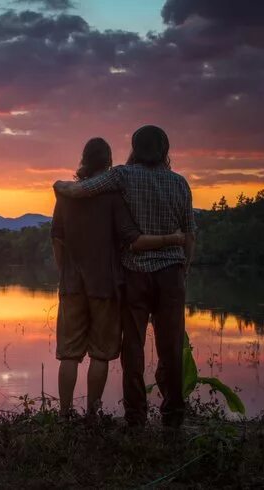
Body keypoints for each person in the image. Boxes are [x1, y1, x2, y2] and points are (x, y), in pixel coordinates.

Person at [53, 126, 196, 428]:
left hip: (113, 278)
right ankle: (166, 417)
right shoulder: (175, 185)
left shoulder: (116, 180)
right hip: (142, 279)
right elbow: (180, 233)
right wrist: (181, 259)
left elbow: (66, 222)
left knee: (116, 350)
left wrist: (61, 187)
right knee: (155, 348)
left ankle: (126, 418)